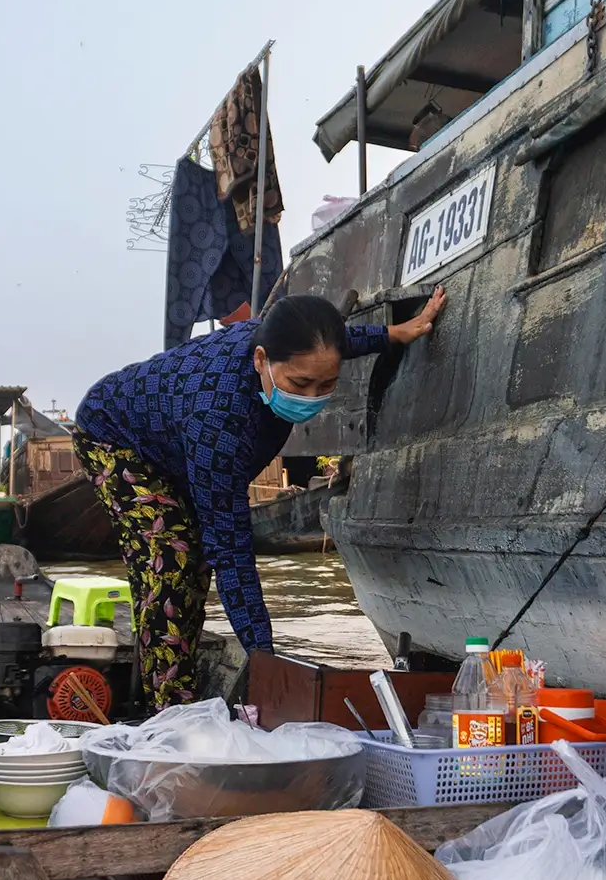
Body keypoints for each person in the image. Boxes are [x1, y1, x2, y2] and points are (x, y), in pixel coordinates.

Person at [74, 288, 446, 709]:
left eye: (327, 384)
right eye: (300, 383)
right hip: (114, 438)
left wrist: (396, 333)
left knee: (188, 562)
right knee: (173, 557)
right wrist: (263, 655)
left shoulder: (295, 342)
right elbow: (231, 551)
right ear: (260, 361)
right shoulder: (219, 420)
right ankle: (169, 712)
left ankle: (168, 674)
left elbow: (344, 342)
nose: (311, 397)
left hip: (174, 440)